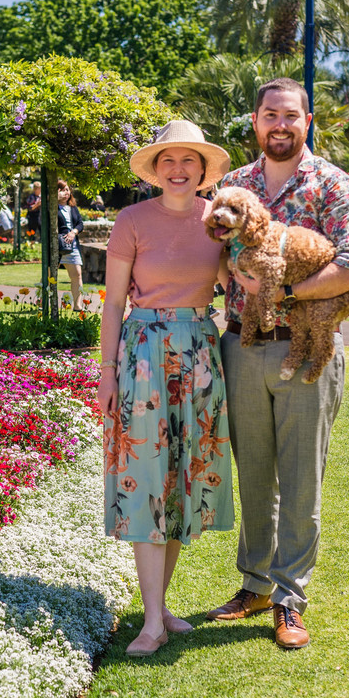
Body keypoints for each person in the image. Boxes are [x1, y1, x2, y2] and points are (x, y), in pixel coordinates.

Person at [206, 78, 349, 650]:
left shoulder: (331, 184)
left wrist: (280, 297)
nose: (280, 125)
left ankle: (289, 599)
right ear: (255, 120)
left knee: (301, 477)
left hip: (307, 348)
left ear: (307, 121)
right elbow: (212, 255)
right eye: (270, 115)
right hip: (242, 347)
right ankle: (253, 584)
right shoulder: (231, 187)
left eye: (291, 116)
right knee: (253, 471)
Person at [98, 119, 235, 657]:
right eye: (168, 161)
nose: (179, 170)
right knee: (147, 476)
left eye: (189, 161)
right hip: (144, 355)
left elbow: (239, 280)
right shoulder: (131, 219)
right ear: (156, 169)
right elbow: (112, 302)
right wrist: (106, 371)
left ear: (203, 170)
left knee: (180, 478)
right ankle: (152, 621)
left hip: (201, 349)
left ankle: (160, 607)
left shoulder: (220, 220)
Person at [56, 179, 86, 311]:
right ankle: (42, 302)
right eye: (62, 190)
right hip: (56, 246)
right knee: (50, 275)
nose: (66, 193)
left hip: (72, 246)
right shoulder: (51, 207)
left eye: (67, 190)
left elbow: (80, 223)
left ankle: (77, 304)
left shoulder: (73, 208)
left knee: (77, 274)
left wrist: (74, 232)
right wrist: (54, 200)